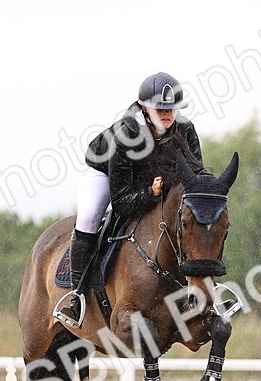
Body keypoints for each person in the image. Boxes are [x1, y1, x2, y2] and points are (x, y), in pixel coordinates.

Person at [53, 72, 207, 329]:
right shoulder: (127, 133)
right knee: (90, 218)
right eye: (160, 109)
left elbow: (195, 178)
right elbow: (122, 202)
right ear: (145, 108)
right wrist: (151, 193)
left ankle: (205, 287)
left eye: (171, 109)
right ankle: (76, 294)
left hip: (153, 178)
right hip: (108, 173)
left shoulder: (186, 130)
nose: (167, 114)